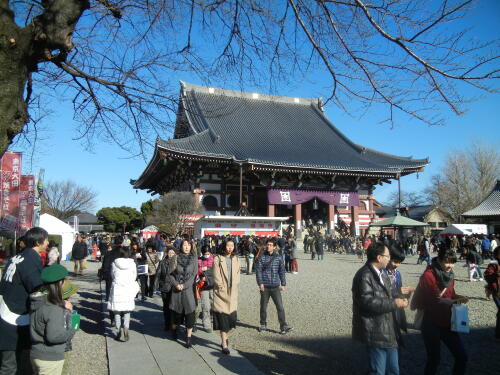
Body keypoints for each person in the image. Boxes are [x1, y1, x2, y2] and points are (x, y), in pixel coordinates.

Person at [352, 242, 408, 375]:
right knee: (378, 371)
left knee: (393, 369)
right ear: (379, 257)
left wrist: (398, 294)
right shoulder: (364, 275)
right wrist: (395, 303)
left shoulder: (381, 273)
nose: (389, 259)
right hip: (375, 329)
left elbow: (385, 295)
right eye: (388, 256)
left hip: (389, 327)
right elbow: (367, 302)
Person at [410, 248, 468, 375]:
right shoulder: (428, 275)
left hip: (447, 322)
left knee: (462, 357)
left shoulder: (450, 275)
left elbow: (450, 294)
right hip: (430, 323)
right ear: (440, 260)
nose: (450, 266)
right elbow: (432, 299)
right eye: (447, 262)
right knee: (434, 359)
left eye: (453, 262)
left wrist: (459, 297)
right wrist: (450, 301)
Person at [0, 227, 48, 375]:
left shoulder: (18, 256)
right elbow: (36, 289)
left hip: (6, 309)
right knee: (13, 364)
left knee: (10, 360)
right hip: (15, 316)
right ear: (38, 242)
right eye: (46, 240)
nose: (47, 242)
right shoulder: (30, 259)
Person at [30, 264, 76, 375]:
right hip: (50, 358)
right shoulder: (54, 308)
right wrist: (74, 323)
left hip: (36, 353)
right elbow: (54, 337)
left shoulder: (38, 300)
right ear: (60, 283)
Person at [254, 238, 293, 335]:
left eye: (271, 245)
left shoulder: (278, 257)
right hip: (265, 286)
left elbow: (282, 271)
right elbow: (258, 271)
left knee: (280, 307)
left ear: (275, 247)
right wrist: (260, 283)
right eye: (268, 244)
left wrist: (283, 284)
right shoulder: (261, 257)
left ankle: (283, 326)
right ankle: (263, 324)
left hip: (275, 286)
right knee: (263, 307)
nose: (268, 246)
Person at [212, 239, 240, 354]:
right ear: (224, 246)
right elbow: (216, 275)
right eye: (228, 245)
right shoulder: (218, 259)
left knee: (230, 319)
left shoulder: (236, 259)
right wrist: (221, 287)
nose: (230, 248)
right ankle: (224, 343)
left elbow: (238, 274)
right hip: (221, 293)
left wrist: (236, 284)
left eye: (232, 246)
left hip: (232, 292)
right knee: (223, 319)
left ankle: (225, 338)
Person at [168, 240, 197, 348]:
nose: (186, 247)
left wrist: (184, 285)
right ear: (180, 246)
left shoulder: (194, 259)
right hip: (176, 290)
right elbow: (170, 274)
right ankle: (174, 329)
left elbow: (193, 275)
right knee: (176, 313)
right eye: (184, 245)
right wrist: (176, 284)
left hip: (188, 290)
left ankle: (188, 337)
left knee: (190, 313)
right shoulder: (175, 258)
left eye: (188, 245)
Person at [107, 247, 139, 342]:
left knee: (116, 311)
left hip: (117, 288)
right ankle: (126, 327)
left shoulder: (114, 263)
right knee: (126, 310)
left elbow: (112, 275)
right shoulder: (132, 264)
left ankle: (118, 330)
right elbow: (134, 276)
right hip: (128, 287)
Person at [157, 248, 176, 331]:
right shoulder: (162, 262)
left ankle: (174, 324)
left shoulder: (177, 263)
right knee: (166, 306)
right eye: (169, 252)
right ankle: (167, 323)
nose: (171, 254)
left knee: (174, 307)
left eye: (173, 253)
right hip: (165, 287)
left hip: (174, 287)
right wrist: (157, 285)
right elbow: (158, 274)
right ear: (167, 253)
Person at [196, 246, 214, 332]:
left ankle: (211, 319)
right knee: (205, 305)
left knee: (213, 304)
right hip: (203, 286)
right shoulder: (199, 260)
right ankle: (206, 324)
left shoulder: (214, 260)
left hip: (214, 285)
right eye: (205, 254)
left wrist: (207, 269)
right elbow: (197, 271)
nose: (207, 255)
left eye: (208, 254)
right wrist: (200, 270)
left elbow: (216, 270)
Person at [484, 246, 500, 339]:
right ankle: (498, 334)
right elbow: (486, 275)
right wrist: (495, 275)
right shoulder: (493, 265)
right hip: (497, 292)